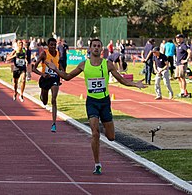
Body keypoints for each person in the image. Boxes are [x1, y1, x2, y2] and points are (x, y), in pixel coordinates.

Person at [44, 38, 146, 175]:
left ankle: (105, 123)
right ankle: (97, 164)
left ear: (102, 49)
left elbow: (121, 80)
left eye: (99, 46)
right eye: (94, 46)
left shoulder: (108, 64)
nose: (96, 48)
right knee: (95, 133)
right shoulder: (83, 65)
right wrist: (55, 69)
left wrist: (134, 84)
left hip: (104, 102)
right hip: (92, 102)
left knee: (111, 137)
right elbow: (67, 77)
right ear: (90, 49)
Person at [33, 38, 64, 132]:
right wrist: (42, 74)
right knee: (45, 102)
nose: (53, 46)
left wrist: (62, 73)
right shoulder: (44, 54)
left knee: (54, 99)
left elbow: (59, 64)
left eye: (54, 45)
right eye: (51, 45)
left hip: (55, 78)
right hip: (45, 79)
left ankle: (54, 123)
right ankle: (42, 95)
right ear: (48, 45)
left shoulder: (58, 53)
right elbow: (34, 68)